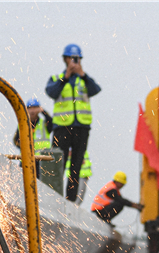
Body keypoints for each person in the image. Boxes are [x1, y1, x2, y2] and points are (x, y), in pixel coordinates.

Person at [46, 43, 101, 202]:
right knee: (58, 164)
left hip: (81, 127)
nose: (73, 61)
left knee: (76, 166)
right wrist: (67, 76)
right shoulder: (57, 78)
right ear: (65, 59)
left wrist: (82, 74)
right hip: (62, 127)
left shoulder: (84, 80)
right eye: (70, 58)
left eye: (76, 58)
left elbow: (95, 90)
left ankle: (70, 200)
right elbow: (52, 92)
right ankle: (55, 197)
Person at [12, 98, 52, 177]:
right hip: (26, 158)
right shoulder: (22, 124)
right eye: (30, 108)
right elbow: (16, 140)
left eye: (35, 108)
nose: (32, 111)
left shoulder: (44, 123)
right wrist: (24, 147)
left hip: (41, 160)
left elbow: (51, 122)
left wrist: (43, 112)